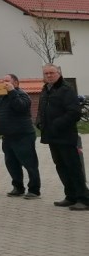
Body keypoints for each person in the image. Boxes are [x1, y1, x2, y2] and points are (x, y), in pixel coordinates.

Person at [0, 73, 41, 198]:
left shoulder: (22, 95)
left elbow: (20, 107)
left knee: (29, 163)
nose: (4, 83)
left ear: (15, 83)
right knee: (11, 163)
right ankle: (18, 187)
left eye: (7, 81)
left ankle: (34, 189)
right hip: (7, 136)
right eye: (3, 81)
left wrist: (12, 92)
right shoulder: (1, 96)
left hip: (23, 136)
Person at [37, 64, 89, 210]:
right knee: (61, 167)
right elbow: (42, 109)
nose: (48, 75)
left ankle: (84, 199)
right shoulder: (45, 89)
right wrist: (40, 122)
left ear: (58, 73)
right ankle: (71, 196)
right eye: (46, 73)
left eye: (51, 73)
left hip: (65, 136)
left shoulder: (66, 89)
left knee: (73, 167)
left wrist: (56, 124)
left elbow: (74, 113)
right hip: (52, 137)